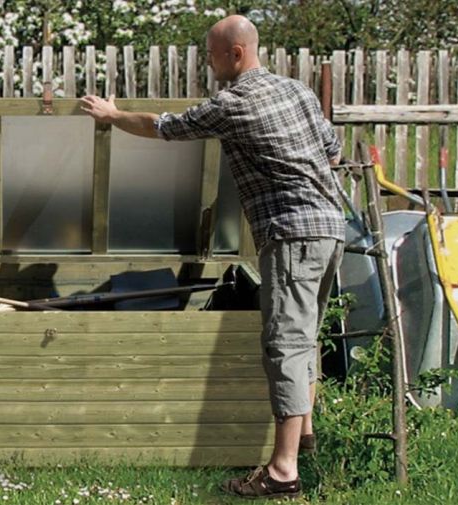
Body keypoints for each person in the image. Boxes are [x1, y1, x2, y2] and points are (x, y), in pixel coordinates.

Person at [80, 14, 344, 500]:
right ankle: (302, 435)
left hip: (291, 234)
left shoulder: (234, 103)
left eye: (212, 53)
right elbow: (333, 148)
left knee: (284, 343)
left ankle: (283, 470)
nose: (208, 60)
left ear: (235, 54)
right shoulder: (299, 92)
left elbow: (167, 127)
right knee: (303, 338)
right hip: (330, 229)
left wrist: (112, 116)